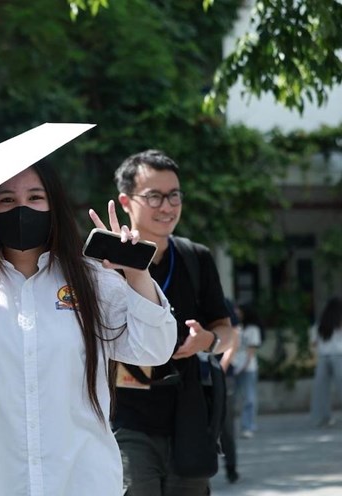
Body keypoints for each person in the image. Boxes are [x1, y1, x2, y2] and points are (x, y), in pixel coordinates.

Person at [0, 162, 177, 495]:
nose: (22, 208)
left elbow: (154, 348)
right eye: (7, 200)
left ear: (54, 205)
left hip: (83, 480)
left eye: (35, 197)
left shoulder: (92, 280)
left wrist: (136, 273)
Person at [111, 149, 234, 496]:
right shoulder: (107, 262)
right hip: (125, 419)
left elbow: (226, 333)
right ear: (126, 201)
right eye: (154, 196)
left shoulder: (196, 258)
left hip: (189, 419)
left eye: (174, 195)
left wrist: (207, 341)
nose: (167, 206)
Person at [309, 295, 342, 427]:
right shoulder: (339, 322)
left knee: (321, 389)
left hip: (323, 357)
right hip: (339, 356)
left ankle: (324, 417)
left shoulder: (321, 324)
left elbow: (314, 343)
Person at [219, 298, 242, 483]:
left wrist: (221, 367)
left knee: (226, 426)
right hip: (192, 376)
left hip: (222, 375)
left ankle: (231, 467)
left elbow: (235, 336)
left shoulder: (222, 302)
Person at [233, 303, 263, 438]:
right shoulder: (236, 328)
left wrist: (242, 367)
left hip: (248, 368)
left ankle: (248, 425)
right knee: (233, 398)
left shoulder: (253, 329)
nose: (237, 313)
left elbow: (251, 351)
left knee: (249, 398)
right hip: (234, 366)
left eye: (239, 311)